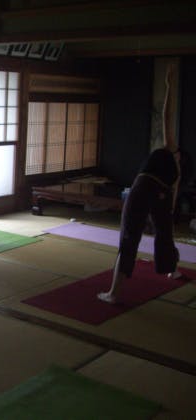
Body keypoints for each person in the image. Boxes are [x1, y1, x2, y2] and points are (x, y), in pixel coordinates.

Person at [97, 63, 188, 304]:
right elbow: (172, 199)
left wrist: (169, 86)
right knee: (164, 233)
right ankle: (171, 270)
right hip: (159, 194)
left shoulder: (171, 151)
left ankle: (114, 293)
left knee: (129, 238)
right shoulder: (177, 170)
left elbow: (167, 117)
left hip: (144, 190)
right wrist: (169, 86)